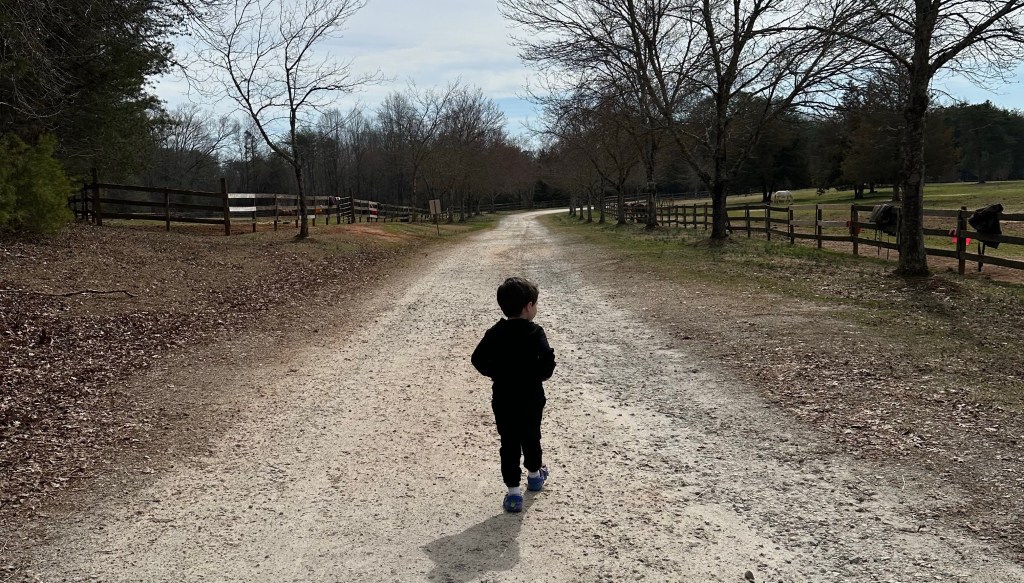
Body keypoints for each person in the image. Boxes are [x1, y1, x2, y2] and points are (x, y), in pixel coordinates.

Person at [471, 277, 557, 513]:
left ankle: (513, 494)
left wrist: (496, 373)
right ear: (528, 306)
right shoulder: (535, 332)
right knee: (531, 436)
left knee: (508, 442)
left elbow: (477, 359)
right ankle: (535, 475)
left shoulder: (495, 332)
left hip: (504, 397)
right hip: (531, 396)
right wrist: (539, 375)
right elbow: (547, 362)